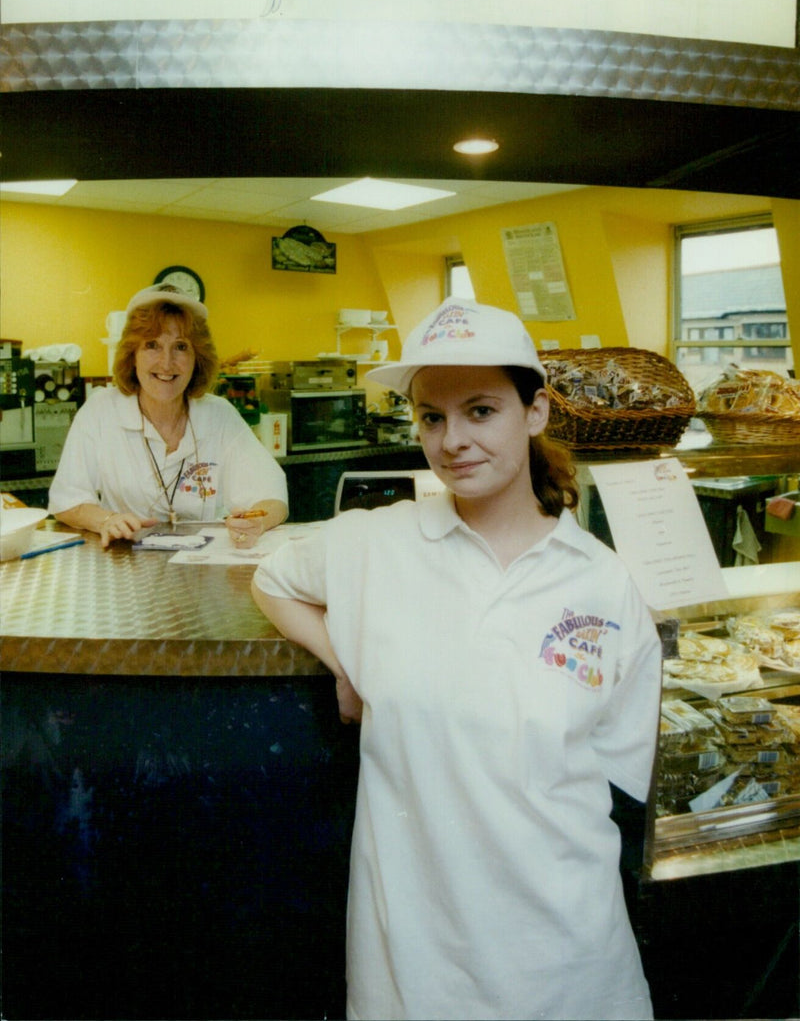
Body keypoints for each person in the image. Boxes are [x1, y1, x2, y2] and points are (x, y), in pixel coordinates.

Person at [251, 296, 661, 1021]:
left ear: (534, 412)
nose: (452, 442)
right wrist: (345, 661)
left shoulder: (601, 581)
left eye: (480, 411)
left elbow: (617, 779)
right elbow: (272, 579)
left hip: (570, 963)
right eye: (432, 418)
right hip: (416, 965)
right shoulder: (375, 544)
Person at [49, 283, 288, 548]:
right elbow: (66, 501)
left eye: (181, 347)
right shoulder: (100, 411)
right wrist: (106, 520)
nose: (166, 363)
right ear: (132, 355)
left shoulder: (219, 415)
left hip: (200, 567)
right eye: (152, 345)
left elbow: (272, 496)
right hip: (124, 564)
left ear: (198, 357)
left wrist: (258, 521)